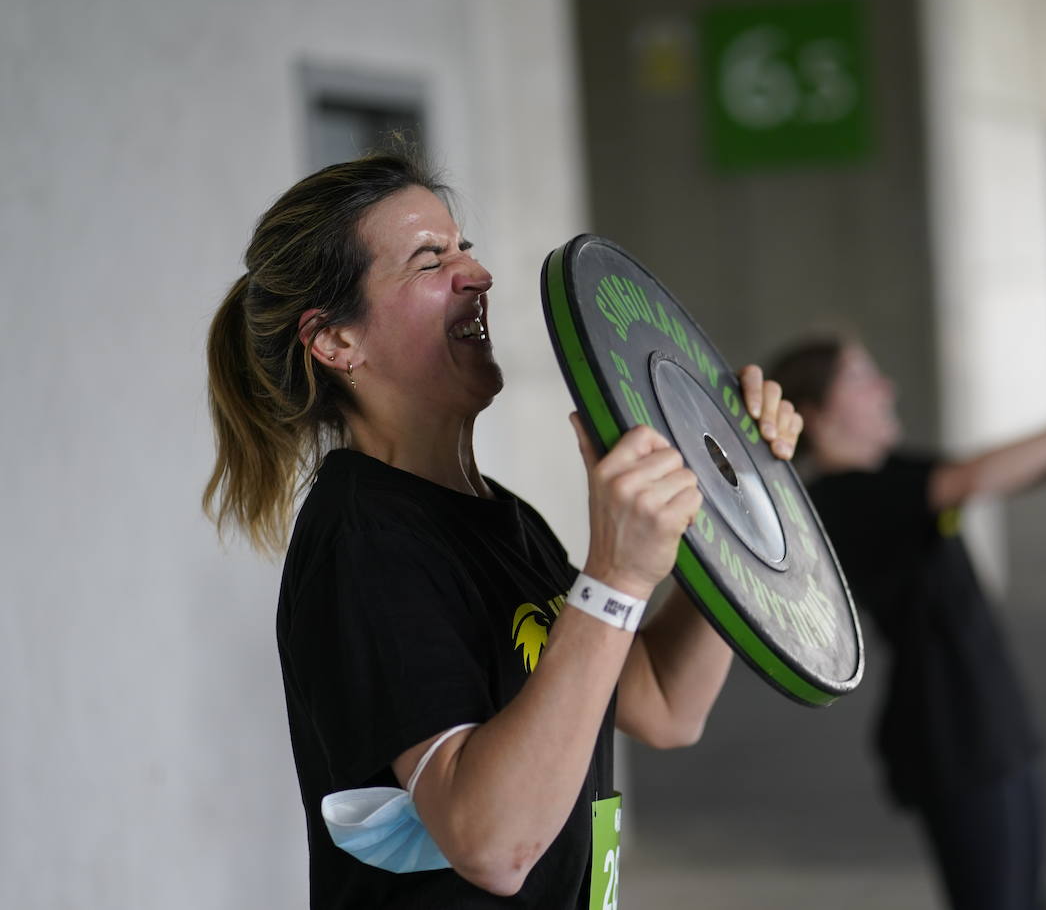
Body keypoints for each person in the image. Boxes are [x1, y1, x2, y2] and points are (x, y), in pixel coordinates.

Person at [202, 154, 804, 908]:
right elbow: (490, 844)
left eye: (465, 247)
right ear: (335, 342)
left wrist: (732, 499)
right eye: (431, 259)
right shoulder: (366, 542)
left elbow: (663, 705)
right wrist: (615, 576)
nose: (476, 274)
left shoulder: (503, 518)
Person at [768, 336, 1046, 910]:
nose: (885, 388)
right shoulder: (841, 498)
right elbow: (967, 481)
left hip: (992, 717)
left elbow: (1007, 476)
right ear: (815, 414)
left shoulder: (894, 470)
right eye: (861, 378)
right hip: (951, 734)